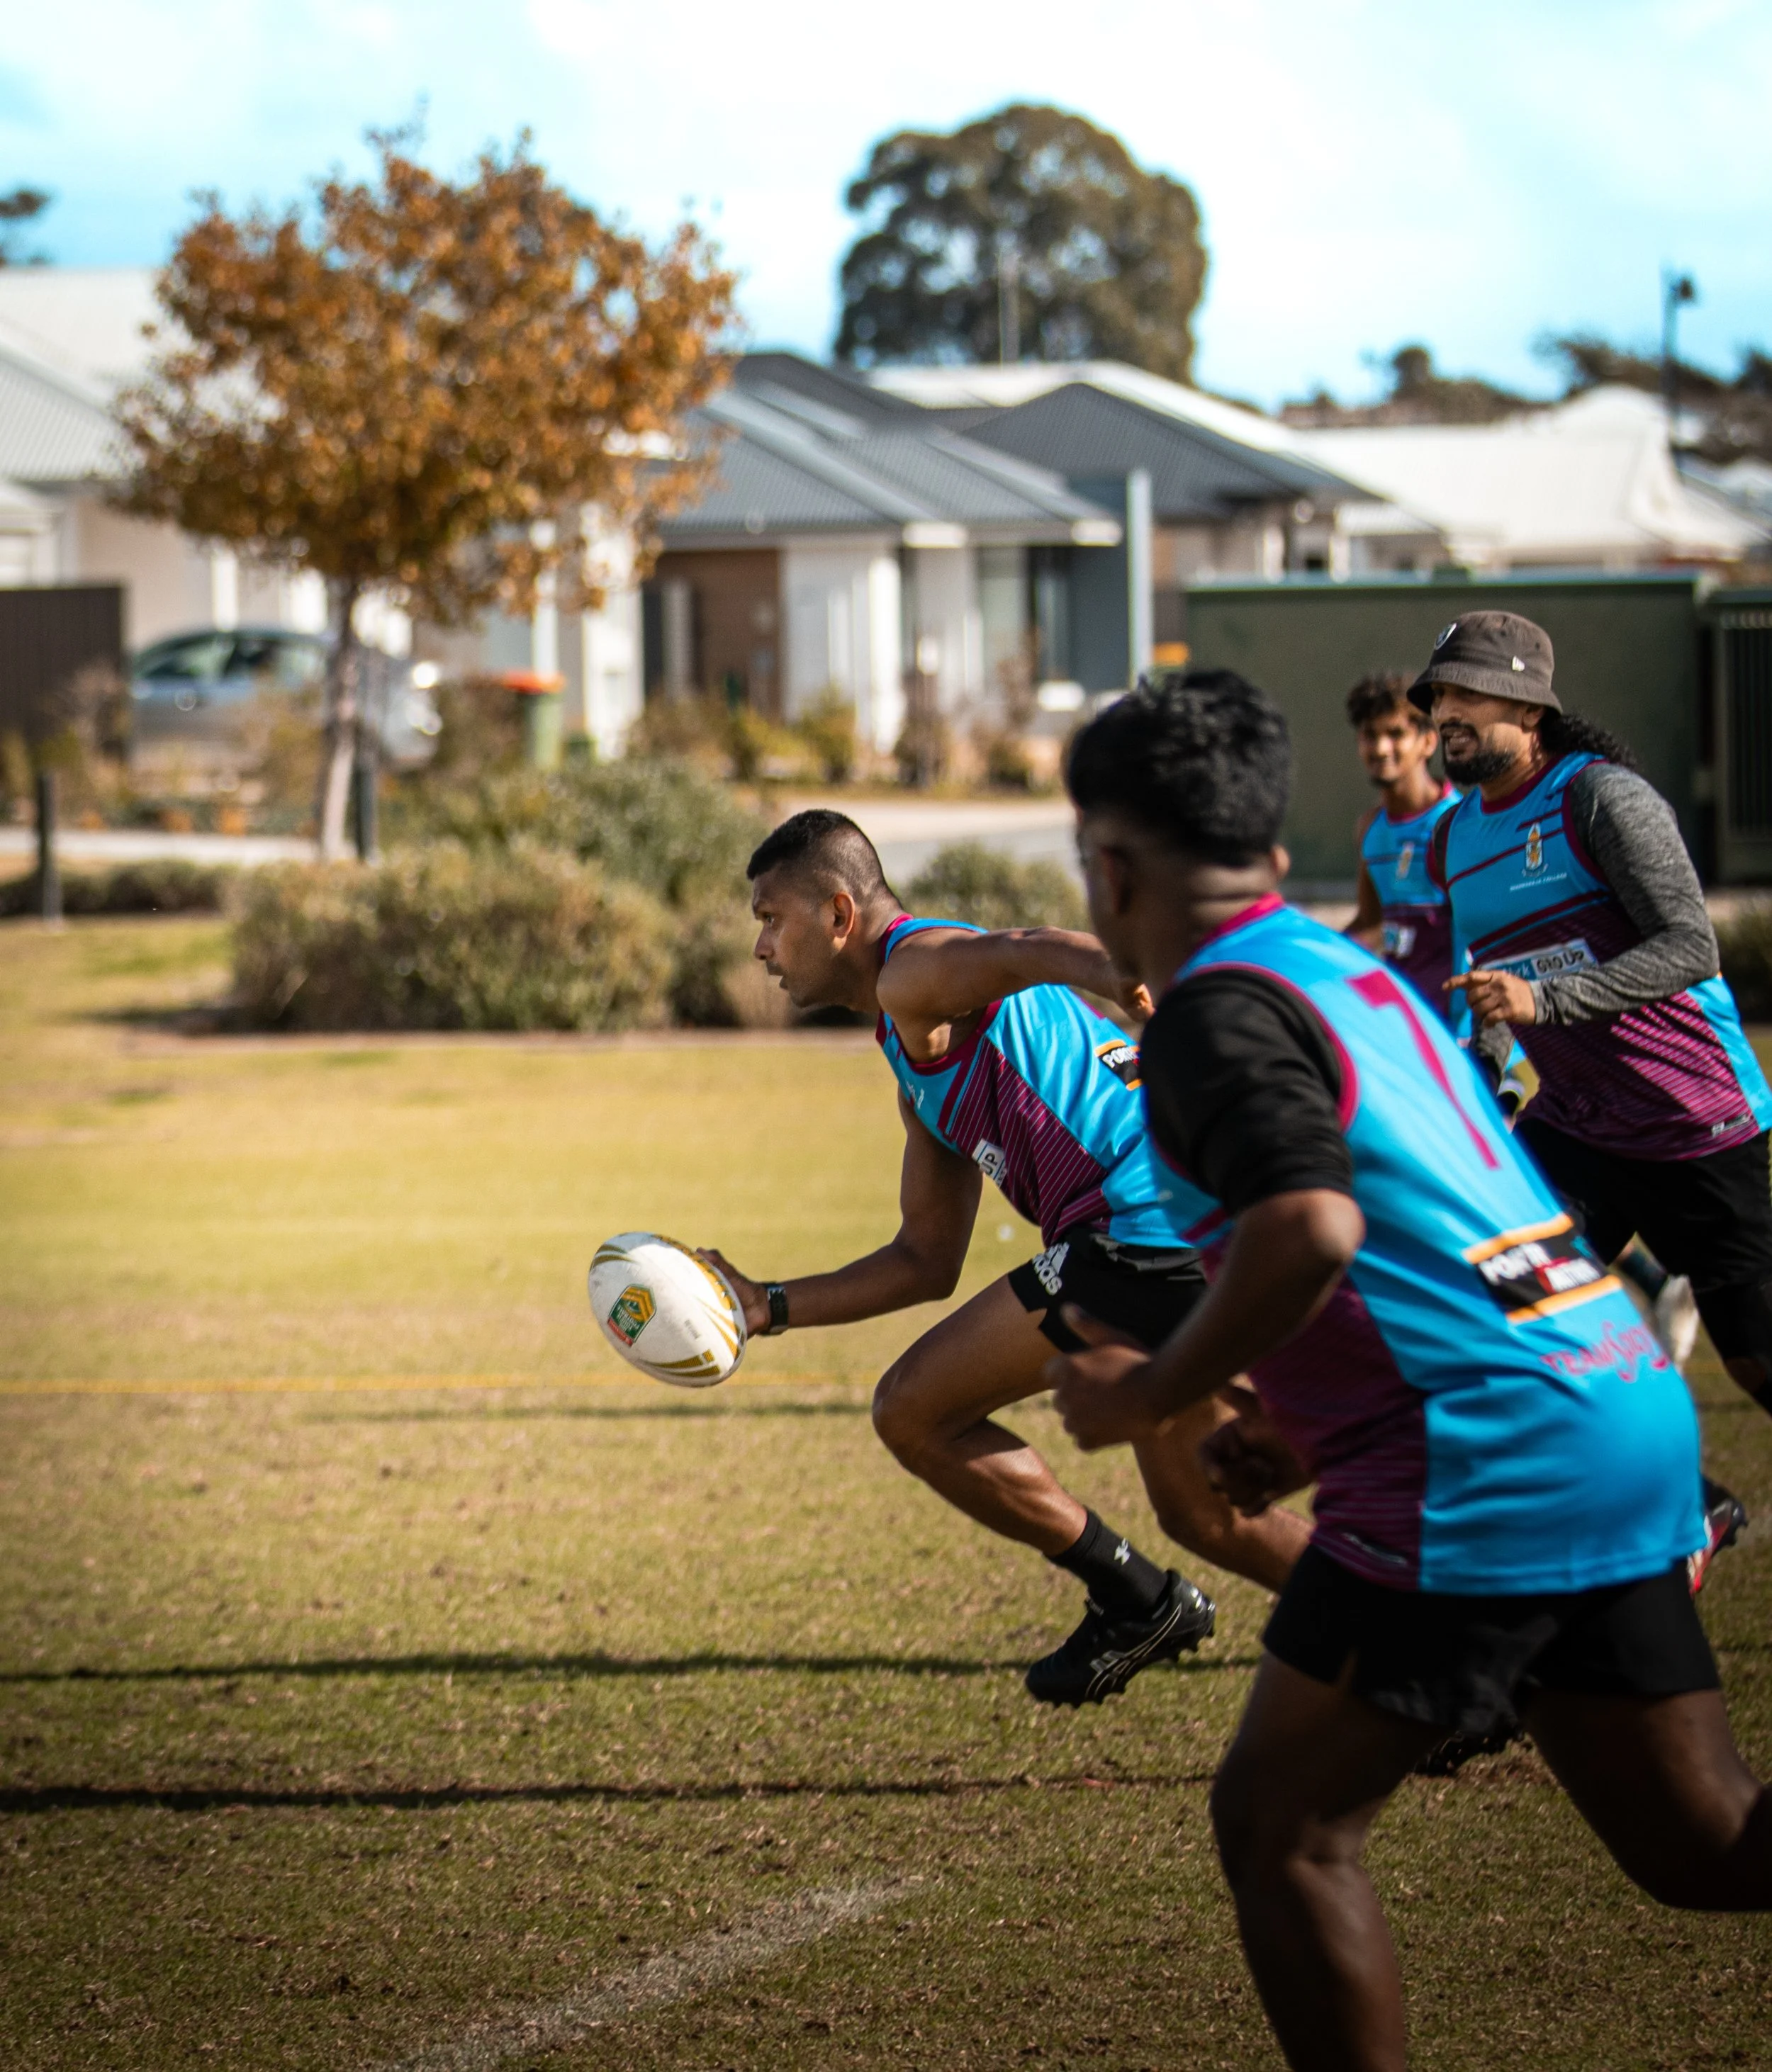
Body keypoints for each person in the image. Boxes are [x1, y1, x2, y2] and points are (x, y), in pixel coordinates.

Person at [1048, 669, 1772, 2072]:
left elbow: (1308, 1225)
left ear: (1110, 864)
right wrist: (1300, 1426)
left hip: (1479, 1460)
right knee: (1705, 1843)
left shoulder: (1210, 1011)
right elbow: (1430, 1230)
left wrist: (1143, 1391)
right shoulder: (1349, 973)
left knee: (1279, 1829)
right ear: (1266, 845)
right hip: (1609, 1402)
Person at [699, 808, 1308, 1707]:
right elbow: (924, 1257)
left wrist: (1122, 973)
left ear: (837, 913)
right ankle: (1434, 1653)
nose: (760, 946)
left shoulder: (914, 966)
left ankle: (1134, 1596)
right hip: (1186, 1221)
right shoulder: (911, 1047)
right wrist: (767, 1304)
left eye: (768, 916)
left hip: (1138, 1226)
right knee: (1201, 1509)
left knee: (913, 1409)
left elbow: (1024, 945)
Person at [1415, 612, 1757, 1585]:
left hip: (1698, 1125)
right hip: (1577, 1136)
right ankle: (1689, 1508)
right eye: (1439, 696)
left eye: (1469, 695)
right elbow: (1485, 980)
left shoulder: (1602, 800)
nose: (1447, 714)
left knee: (1756, 1364)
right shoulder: (1453, 838)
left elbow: (1694, 946)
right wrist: (1481, 1077)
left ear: (1529, 706)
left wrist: (1548, 1002)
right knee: (1499, 1326)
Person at [1343, 671, 1459, 1016]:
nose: (1380, 748)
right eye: (1370, 735)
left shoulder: (1455, 824)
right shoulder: (1370, 829)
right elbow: (1370, 924)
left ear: (1428, 741)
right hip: (1405, 1020)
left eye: (1395, 734)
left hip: (1460, 1031)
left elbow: (1482, 936)